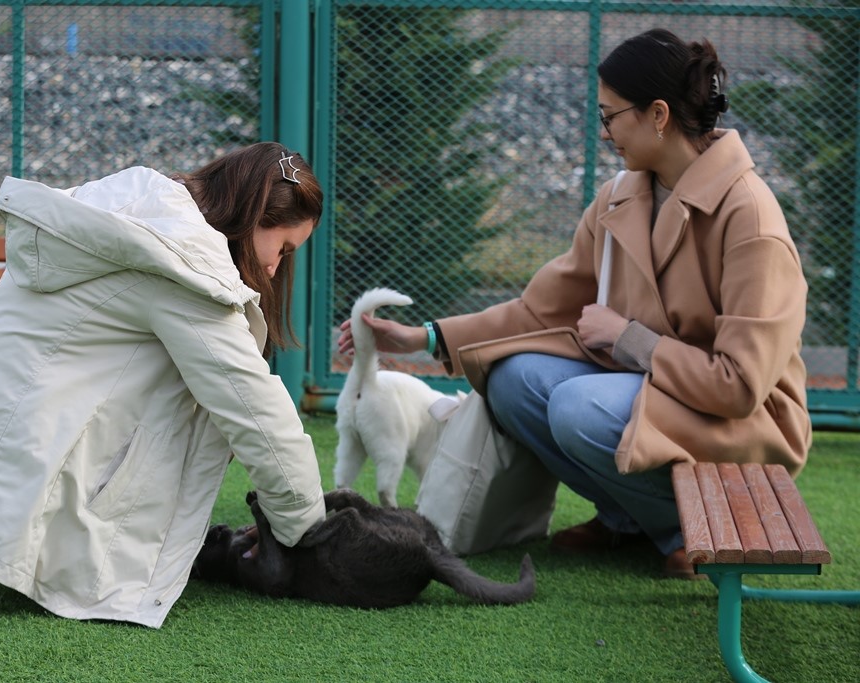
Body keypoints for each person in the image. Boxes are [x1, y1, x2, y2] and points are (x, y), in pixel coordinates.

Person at [337, 28, 810, 579]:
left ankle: (682, 529)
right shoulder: (621, 195)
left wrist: (627, 337)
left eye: (611, 117)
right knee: (513, 380)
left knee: (576, 407)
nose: (604, 132)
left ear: (658, 115)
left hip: (743, 424)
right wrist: (425, 337)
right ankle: (630, 518)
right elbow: (542, 309)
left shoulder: (750, 217)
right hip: (658, 395)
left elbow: (739, 385)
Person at [0, 142, 328, 627]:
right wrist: (308, 532)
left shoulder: (138, 208)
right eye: (283, 249)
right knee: (214, 385)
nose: (274, 269)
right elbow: (254, 409)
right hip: (12, 458)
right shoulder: (183, 264)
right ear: (251, 215)